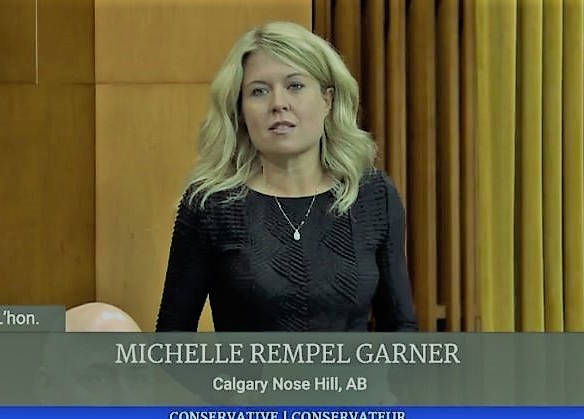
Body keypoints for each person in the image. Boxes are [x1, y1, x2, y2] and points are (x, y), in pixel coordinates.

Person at [155, 21, 416, 332]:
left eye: (295, 86)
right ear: (241, 111)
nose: (278, 103)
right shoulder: (211, 205)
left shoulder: (372, 195)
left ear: (327, 100)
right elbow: (172, 338)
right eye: (259, 91)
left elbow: (401, 329)